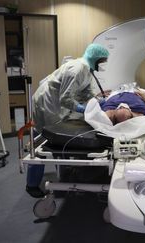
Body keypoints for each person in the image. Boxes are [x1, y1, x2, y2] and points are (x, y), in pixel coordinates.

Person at [26, 43, 109, 198]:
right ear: (95, 58)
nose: (103, 64)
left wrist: (97, 102)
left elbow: (85, 91)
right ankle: (32, 184)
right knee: (44, 142)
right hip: (48, 103)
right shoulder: (77, 68)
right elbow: (65, 99)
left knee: (54, 139)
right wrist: (84, 109)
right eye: (102, 60)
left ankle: (64, 174)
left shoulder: (87, 70)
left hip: (56, 103)